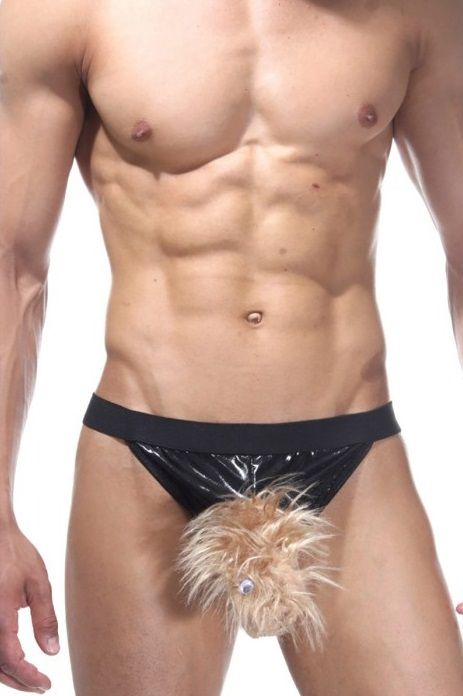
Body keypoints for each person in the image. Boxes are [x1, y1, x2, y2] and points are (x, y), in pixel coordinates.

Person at [0, 0, 462, 693]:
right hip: (144, 457)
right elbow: (14, 268)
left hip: (352, 453)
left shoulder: (417, 13)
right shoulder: (63, 11)